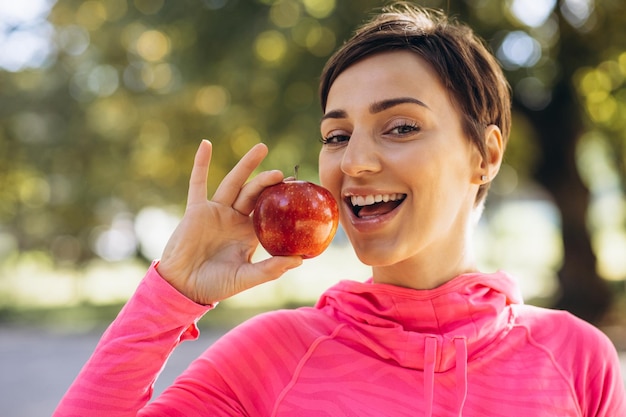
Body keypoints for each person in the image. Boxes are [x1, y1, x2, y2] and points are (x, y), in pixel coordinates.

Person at [54, 3, 626, 416]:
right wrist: (169, 295)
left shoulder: (578, 360)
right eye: (336, 135)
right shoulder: (270, 357)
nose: (355, 162)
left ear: (486, 154)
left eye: (400, 127)